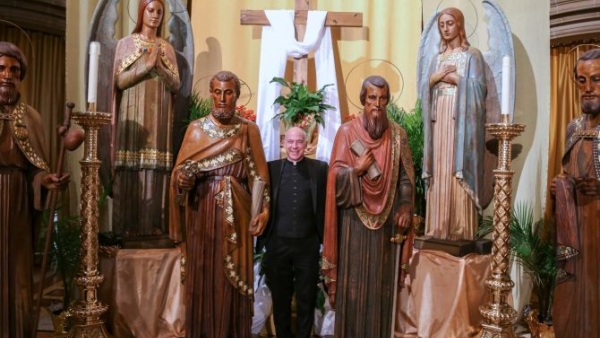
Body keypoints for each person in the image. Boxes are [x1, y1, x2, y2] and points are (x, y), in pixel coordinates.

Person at [169, 70, 270, 338]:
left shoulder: (249, 130)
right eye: (217, 92)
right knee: (204, 276)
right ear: (211, 94)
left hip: (238, 215)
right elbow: (179, 175)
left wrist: (264, 211)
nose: (222, 98)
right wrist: (184, 181)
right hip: (202, 215)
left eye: (228, 93)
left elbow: (260, 177)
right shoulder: (196, 129)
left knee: (232, 281)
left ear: (236, 96)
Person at [322, 75, 415, 337]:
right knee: (354, 289)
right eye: (372, 98)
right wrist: (356, 171)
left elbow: (406, 178)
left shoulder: (398, 135)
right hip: (354, 224)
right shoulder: (346, 132)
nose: (377, 104)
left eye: (383, 98)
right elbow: (334, 177)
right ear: (363, 100)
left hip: (387, 230)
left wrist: (406, 204)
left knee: (380, 289)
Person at [0, 41, 70, 338]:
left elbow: (36, 168)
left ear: (21, 77)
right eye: (1, 68)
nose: (7, 75)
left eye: (14, 70)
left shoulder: (32, 117)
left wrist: (45, 181)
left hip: (16, 200)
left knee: (17, 275)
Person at [110, 0, 180, 238]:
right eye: (151, 10)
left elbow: (176, 84)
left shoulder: (166, 48)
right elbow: (119, 82)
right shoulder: (126, 44)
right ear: (141, 12)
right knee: (130, 165)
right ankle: (126, 226)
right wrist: (145, 66)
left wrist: (158, 66)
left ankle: (154, 226)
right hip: (132, 114)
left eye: (160, 12)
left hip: (157, 114)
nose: (155, 16)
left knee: (155, 166)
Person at [422, 7, 487, 240]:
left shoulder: (472, 56)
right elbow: (425, 89)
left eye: (450, 23)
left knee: (455, 167)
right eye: (442, 25)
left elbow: (480, 91)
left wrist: (456, 79)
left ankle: (459, 228)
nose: (446, 28)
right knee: (440, 168)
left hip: (460, 122)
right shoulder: (436, 59)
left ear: (460, 25)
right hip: (439, 119)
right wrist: (437, 77)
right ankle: (438, 227)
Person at [257, 126, 328, 338]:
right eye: (290, 142)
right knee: (281, 299)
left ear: (306, 145)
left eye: (299, 142)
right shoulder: (270, 169)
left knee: (306, 298)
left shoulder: (320, 169)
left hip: (308, 245)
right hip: (278, 245)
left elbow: (327, 204)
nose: (294, 146)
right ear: (283, 144)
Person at [552, 48, 600, 338]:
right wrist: (559, 188)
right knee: (572, 293)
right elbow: (567, 174)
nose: (588, 88)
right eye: (581, 81)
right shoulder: (573, 127)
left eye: (596, 79)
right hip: (576, 234)